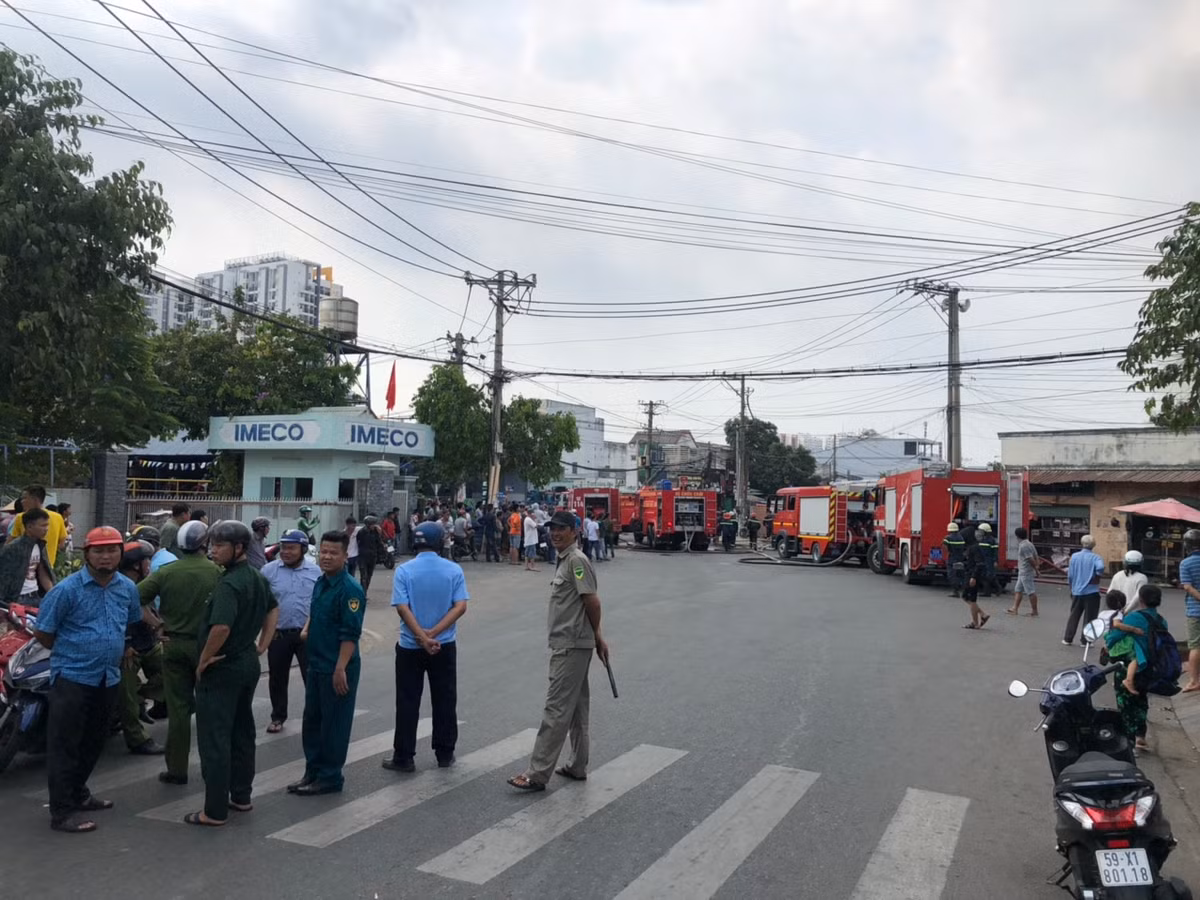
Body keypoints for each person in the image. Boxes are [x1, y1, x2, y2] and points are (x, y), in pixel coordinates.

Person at [33, 526, 148, 833]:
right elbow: (43, 632)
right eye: (99, 551)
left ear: (121, 554)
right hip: (72, 676)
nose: (106, 556)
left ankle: (79, 793)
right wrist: (73, 651)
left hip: (108, 677)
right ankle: (61, 811)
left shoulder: (127, 587)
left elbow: (130, 622)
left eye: (112, 550)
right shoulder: (66, 590)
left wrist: (121, 647)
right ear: (87, 554)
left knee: (94, 740)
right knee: (65, 744)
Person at [508, 510, 610, 792]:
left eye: (561, 528)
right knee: (576, 708)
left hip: (571, 644)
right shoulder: (566, 559)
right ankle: (577, 765)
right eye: (552, 528)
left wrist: (597, 635)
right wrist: (596, 638)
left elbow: (592, 602)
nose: (555, 533)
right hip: (574, 642)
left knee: (556, 709)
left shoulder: (576, 561)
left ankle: (537, 773)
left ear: (574, 531)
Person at [188, 520, 278, 826]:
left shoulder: (229, 584)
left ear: (239, 548)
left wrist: (203, 659)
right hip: (247, 663)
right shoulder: (256, 577)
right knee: (242, 732)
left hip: (222, 667)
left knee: (215, 738)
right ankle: (241, 796)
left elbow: (222, 627)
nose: (212, 551)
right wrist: (262, 645)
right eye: (211, 545)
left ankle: (214, 810)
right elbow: (273, 608)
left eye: (219, 545)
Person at [136, 521, 222, 785]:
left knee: (178, 710)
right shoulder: (218, 572)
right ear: (205, 544)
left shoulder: (166, 572)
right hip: (208, 647)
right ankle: (214, 769)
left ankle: (176, 769)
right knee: (211, 710)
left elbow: (132, 598)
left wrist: (156, 624)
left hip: (173, 646)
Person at [383, 521, 467, 773]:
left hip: (410, 646)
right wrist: (433, 634)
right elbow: (460, 606)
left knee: (407, 700)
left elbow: (402, 607)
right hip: (444, 646)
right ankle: (445, 753)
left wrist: (421, 636)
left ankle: (404, 757)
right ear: (440, 542)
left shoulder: (404, 570)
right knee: (445, 699)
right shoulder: (453, 570)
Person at [289, 530, 365, 795]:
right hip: (317, 663)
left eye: (334, 553)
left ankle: (330, 777)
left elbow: (350, 633)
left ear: (345, 556)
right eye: (324, 551)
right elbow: (315, 611)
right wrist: (307, 629)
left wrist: (340, 667)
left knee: (334, 724)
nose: (327, 557)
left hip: (337, 667)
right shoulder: (321, 582)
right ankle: (312, 771)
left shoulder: (350, 590)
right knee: (312, 721)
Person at [261, 530, 319, 734]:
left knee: (311, 678)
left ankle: (314, 717)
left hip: (307, 635)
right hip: (278, 634)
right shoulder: (268, 571)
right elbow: (261, 602)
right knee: (277, 678)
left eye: (291, 548)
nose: (286, 552)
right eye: (283, 548)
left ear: (303, 549)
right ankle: (278, 716)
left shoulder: (315, 572)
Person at [115, 540, 166, 757]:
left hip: (148, 644)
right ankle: (137, 739)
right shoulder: (120, 586)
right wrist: (125, 644)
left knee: (171, 670)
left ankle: (140, 698)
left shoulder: (143, 583)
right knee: (125, 697)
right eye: (147, 561)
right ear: (136, 564)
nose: (150, 565)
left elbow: (150, 611)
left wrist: (160, 628)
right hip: (127, 650)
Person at [1120, 584, 1172, 751]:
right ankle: (1140, 735)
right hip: (1150, 667)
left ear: (1140, 600)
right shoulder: (1161, 621)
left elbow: (1115, 638)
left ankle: (1128, 741)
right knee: (1142, 700)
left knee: (1126, 704)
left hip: (1129, 666)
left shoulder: (1133, 618)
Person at [0, 507, 55, 604]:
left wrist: (53, 593)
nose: (46, 529)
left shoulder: (40, 545)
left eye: (47, 525)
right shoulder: (13, 548)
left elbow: (42, 572)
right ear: (29, 527)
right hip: (18, 599)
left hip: (35, 594)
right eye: (43, 525)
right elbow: (3, 577)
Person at [8, 484, 67, 568]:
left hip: (25, 568)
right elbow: (61, 544)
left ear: (35, 500)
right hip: (48, 568)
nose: (22, 501)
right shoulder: (57, 517)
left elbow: (9, 544)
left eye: (24, 498)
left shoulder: (21, 517)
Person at [1063, 534, 1105, 647]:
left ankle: (1068, 638)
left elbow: (1070, 575)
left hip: (1077, 591)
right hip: (1092, 592)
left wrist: (1071, 588)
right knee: (1090, 617)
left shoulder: (1074, 557)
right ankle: (1086, 641)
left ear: (1082, 543)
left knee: (1074, 615)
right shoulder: (1096, 558)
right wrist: (1097, 574)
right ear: (1093, 545)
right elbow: (1100, 567)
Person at [1180, 529, 1200, 693]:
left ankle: (1194, 681)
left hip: (1195, 611)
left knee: (1195, 646)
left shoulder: (1185, 563)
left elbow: (1187, 586)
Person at [1007, 527, 1041, 617]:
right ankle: (1015, 608)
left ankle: (1034, 611)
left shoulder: (1024, 546)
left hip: (1026, 571)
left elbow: (1030, 559)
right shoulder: (1029, 544)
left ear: (1017, 536)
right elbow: (1036, 555)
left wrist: (1036, 570)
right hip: (1022, 571)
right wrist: (1037, 566)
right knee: (1018, 590)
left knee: (1030, 591)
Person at [961, 533, 991, 630]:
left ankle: (978, 620)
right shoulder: (973, 547)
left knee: (970, 598)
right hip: (971, 574)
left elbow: (979, 564)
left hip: (972, 575)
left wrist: (973, 577)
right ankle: (980, 617)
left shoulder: (974, 548)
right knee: (967, 597)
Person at [1110, 550, 1149, 615]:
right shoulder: (1142, 577)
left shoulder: (1117, 575)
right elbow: (1138, 596)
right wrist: (1126, 611)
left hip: (1117, 612)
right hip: (1135, 613)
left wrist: (1117, 610)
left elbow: (1110, 594)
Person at [942, 523, 966, 598]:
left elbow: (945, 547)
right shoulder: (961, 537)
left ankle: (955, 591)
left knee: (952, 575)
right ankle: (964, 590)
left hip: (952, 558)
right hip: (960, 558)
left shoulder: (948, 538)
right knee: (959, 574)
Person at [975, 523, 998, 597]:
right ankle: (995, 589)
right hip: (983, 560)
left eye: (981, 531)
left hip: (989, 560)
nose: (980, 532)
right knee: (985, 575)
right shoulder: (982, 539)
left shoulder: (991, 540)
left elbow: (995, 552)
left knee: (987, 576)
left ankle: (988, 592)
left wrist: (995, 561)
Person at [524, 506, 541, 572]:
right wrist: (535, 519)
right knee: (532, 554)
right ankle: (532, 566)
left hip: (529, 539)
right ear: (530, 514)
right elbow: (536, 525)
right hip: (531, 539)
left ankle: (526, 566)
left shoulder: (527, 519)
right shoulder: (529, 519)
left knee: (527, 553)